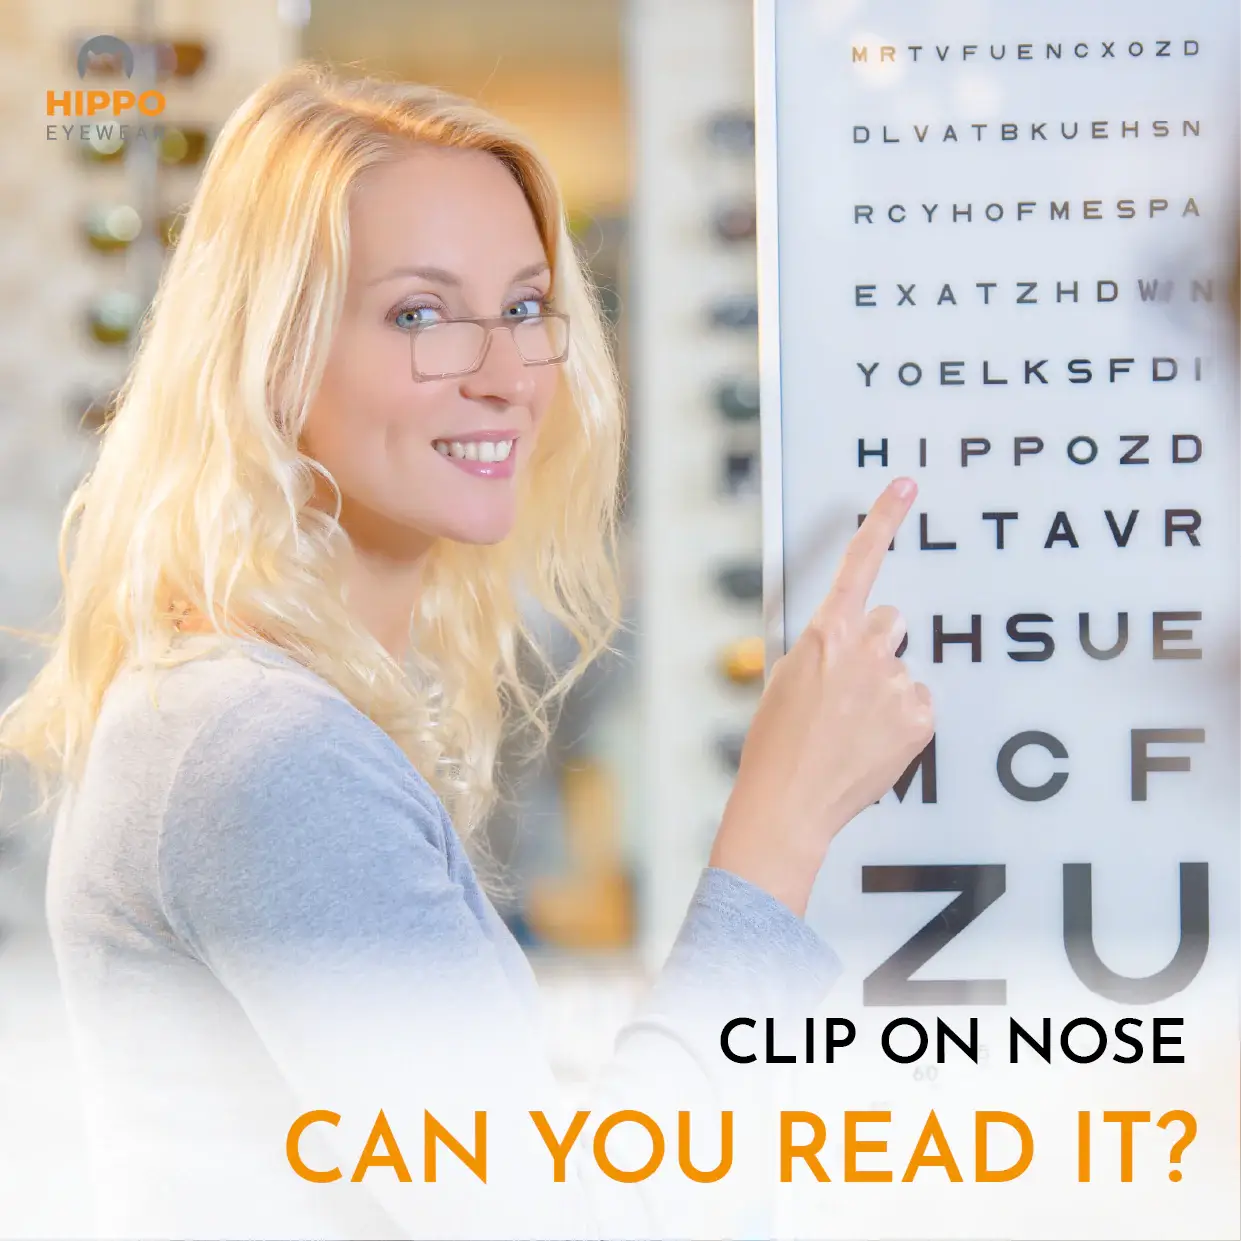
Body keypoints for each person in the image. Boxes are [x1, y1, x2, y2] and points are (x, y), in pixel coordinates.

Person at [0, 63, 933, 1239]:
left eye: (526, 305)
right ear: (270, 356)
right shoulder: (265, 754)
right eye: (419, 313)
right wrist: (778, 826)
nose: (502, 376)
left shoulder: (243, 711)